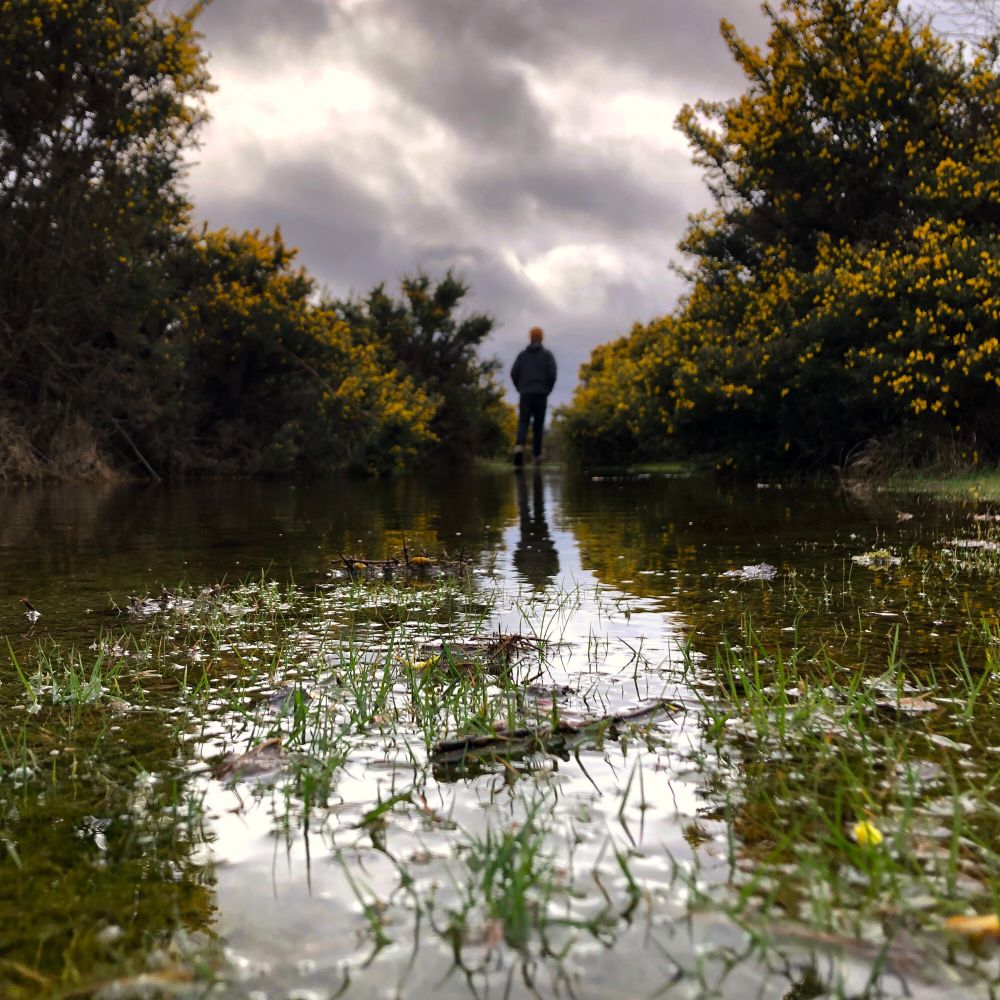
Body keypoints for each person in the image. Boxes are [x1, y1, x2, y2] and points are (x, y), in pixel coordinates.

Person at [510, 326, 556, 467]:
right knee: (538, 425)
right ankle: (536, 455)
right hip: (541, 393)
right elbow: (552, 374)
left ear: (530, 337)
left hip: (526, 393)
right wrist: (548, 389)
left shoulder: (522, 356)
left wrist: (520, 387)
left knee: (523, 421)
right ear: (541, 338)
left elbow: (513, 373)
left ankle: (519, 447)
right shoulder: (547, 355)